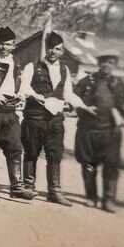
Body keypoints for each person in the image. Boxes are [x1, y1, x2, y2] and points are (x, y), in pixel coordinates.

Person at [18, 31, 96, 205]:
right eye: (51, 48)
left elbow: (68, 94)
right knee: (31, 151)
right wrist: (36, 95)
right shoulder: (32, 66)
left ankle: (54, 191)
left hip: (55, 119)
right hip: (35, 116)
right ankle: (28, 187)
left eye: (58, 49)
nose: (53, 52)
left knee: (55, 154)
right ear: (47, 49)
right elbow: (23, 87)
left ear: (62, 51)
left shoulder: (64, 69)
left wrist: (83, 106)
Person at [73, 50, 124, 212]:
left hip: (111, 132)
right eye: (104, 61)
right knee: (88, 165)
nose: (107, 65)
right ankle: (91, 197)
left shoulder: (118, 84)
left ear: (115, 65)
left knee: (111, 166)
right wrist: (82, 107)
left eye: (111, 62)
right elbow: (72, 99)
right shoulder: (87, 81)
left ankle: (108, 200)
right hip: (88, 131)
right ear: (99, 64)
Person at [0, 27, 32, 199]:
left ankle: (16, 186)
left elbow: (23, 83)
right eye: (2, 44)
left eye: (9, 44)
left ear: (14, 45)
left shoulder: (17, 61)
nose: (5, 47)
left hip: (9, 111)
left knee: (15, 147)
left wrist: (21, 95)